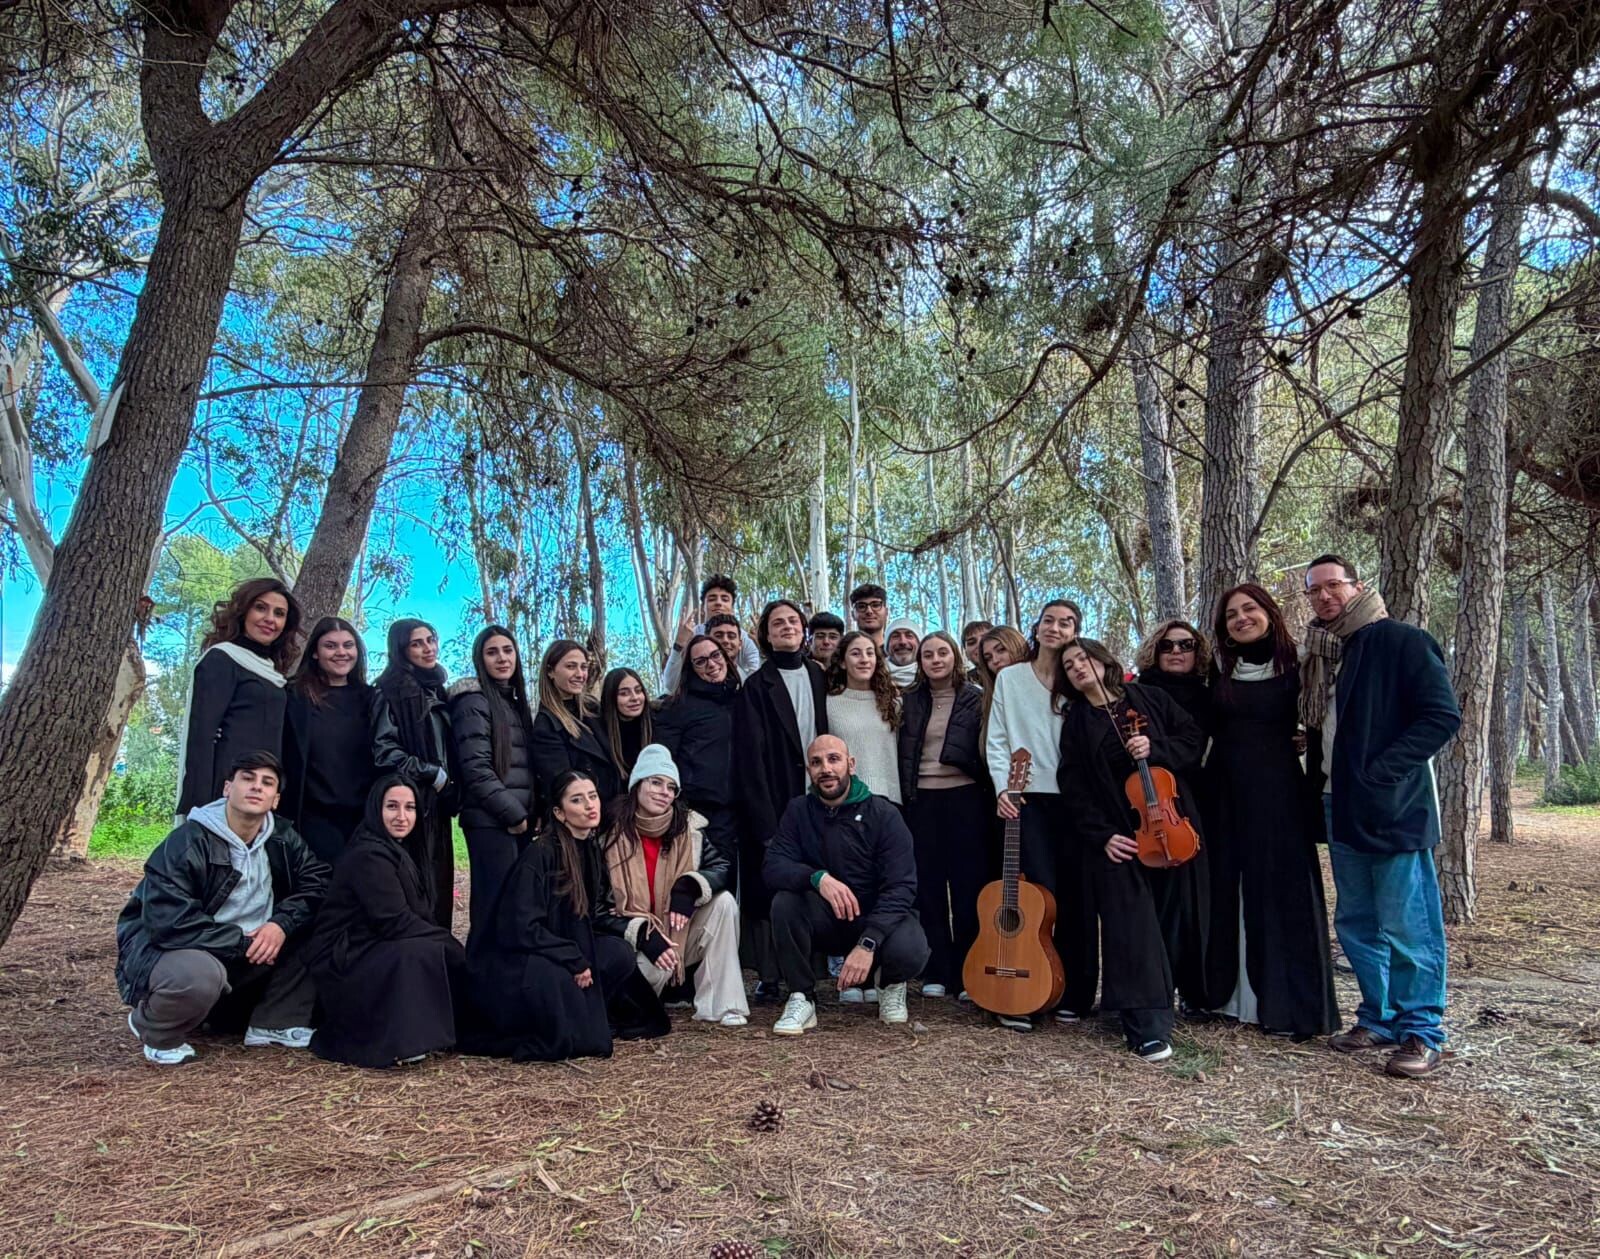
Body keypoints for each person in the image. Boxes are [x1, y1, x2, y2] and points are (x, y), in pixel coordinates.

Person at [1300, 554, 1461, 1078]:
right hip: (1339, 804)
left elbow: (1440, 716)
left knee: (1407, 923)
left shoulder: (1401, 641)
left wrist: (1378, 771)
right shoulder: (1329, 654)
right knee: (1357, 921)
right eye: (1314, 591)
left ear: (1357, 586)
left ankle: (1422, 1030)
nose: (1324, 597)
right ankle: (1379, 1017)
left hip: (1392, 808)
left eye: (1333, 586)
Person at [117, 751, 328, 1066]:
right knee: (200, 976)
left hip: (248, 949)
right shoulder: (186, 842)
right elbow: (170, 924)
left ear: (275, 799)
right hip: (178, 949)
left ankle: (273, 1022)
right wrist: (245, 943)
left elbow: (318, 884)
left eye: (266, 782)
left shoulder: (283, 837)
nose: (256, 787)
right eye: (247, 778)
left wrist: (280, 925)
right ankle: (155, 1029)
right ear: (228, 788)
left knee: (326, 928)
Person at [1056, 640, 1208, 1062]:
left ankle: (1174, 999)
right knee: (1131, 926)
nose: (1077, 668)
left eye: (1082, 659)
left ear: (1104, 662)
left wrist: (1155, 749)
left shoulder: (1150, 699)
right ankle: (1147, 1027)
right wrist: (1102, 835)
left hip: (1171, 824)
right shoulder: (1077, 721)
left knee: (1174, 918)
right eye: (1068, 666)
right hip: (1120, 836)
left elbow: (1193, 740)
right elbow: (1074, 786)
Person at [1204, 585, 1338, 1039]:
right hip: (1226, 797)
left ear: (1269, 613)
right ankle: (1227, 999)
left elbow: (1319, 727)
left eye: (1250, 609)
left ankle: (1288, 1008)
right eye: (1231, 615)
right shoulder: (1218, 673)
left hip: (1281, 795)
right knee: (1229, 891)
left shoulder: (1300, 665)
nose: (1241, 619)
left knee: (1283, 894)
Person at [461, 769, 669, 1061]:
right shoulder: (541, 854)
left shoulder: (589, 849)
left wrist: (638, 931)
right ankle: (566, 1020)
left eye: (593, 797)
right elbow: (520, 927)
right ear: (560, 813)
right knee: (558, 982)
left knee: (619, 954)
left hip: (564, 946)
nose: (589, 806)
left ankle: (586, 1012)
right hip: (524, 955)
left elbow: (591, 916)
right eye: (577, 800)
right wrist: (571, 957)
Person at [763, 735, 930, 1035]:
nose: (825, 769)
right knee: (785, 903)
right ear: (809, 771)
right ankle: (802, 996)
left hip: (877, 920)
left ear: (851, 765)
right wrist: (817, 878)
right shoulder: (798, 811)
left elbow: (902, 886)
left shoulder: (884, 814)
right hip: (827, 919)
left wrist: (869, 942)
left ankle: (890, 983)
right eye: (816, 762)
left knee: (911, 947)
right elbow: (773, 866)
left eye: (833, 759)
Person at [984, 599, 1098, 1023]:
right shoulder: (1011, 678)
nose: (1055, 627)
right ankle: (1026, 992)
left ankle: (1075, 994)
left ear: (1075, 631)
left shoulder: (1079, 678)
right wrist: (1003, 788)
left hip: (1076, 800)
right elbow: (997, 738)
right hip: (1026, 797)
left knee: (1078, 897)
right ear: (1036, 627)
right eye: (1048, 620)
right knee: (1035, 896)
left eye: (1066, 622)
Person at [305, 776, 468, 1068]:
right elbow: (393, 920)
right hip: (344, 957)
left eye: (410, 808)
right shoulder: (368, 854)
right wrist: (449, 943)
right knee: (416, 952)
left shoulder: (399, 851)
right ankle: (396, 1042)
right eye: (392, 806)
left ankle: (431, 1035)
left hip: (370, 943)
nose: (402, 817)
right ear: (375, 809)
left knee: (426, 949)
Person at [602, 746, 749, 1027]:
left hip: (678, 932)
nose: (664, 792)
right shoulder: (609, 835)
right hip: (634, 942)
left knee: (724, 903)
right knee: (646, 984)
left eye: (671, 787)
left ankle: (723, 1005)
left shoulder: (688, 830)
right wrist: (642, 934)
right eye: (655, 782)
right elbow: (597, 907)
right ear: (637, 785)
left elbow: (721, 868)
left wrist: (689, 887)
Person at [732, 599, 830, 1003]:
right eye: (777, 623)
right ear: (766, 635)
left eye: (793, 621)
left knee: (819, 882)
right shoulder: (756, 687)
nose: (786, 627)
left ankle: (817, 972)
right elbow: (749, 762)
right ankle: (772, 977)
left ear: (803, 630)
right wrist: (765, 825)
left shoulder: (820, 676)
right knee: (775, 889)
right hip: (777, 800)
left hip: (823, 797)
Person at [897, 631, 988, 998]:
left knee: (968, 886)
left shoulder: (976, 699)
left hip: (966, 799)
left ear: (955, 657)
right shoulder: (909, 701)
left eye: (942, 653)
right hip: (922, 802)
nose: (935, 660)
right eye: (928, 655)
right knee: (929, 886)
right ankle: (937, 968)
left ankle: (967, 968)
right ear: (920, 663)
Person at [176, 578, 302, 817]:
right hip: (225, 791)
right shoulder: (222, 659)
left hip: (262, 792)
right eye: (260, 608)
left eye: (279, 613)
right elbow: (202, 736)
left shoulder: (273, 672)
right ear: (243, 611)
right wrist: (201, 807)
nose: (270, 619)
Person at [449, 626, 537, 941]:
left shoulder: (513, 703)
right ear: (480, 659)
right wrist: (514, 815)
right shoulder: (473, 702)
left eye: (507, 650)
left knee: (516, 910)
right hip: (491, 823)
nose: (502, 658)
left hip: (518, 823)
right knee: (492, 910)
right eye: (492, 652)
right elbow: (475, 768)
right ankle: (478, 984)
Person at [373, 618, 457, 927]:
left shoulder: (437, 690)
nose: (428, 648)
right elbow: (384, 751)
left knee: (438, 888)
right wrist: (431, 773)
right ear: (401, 650)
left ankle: (439, 960)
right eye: (417, 643)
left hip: (438, 804)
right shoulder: (390, 691)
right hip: (409, 805)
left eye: (431, 640)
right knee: (415, 889)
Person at [282, 616, 378, 865]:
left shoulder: (372, 699)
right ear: (315, 652)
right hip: (312, 819)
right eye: (331, 646)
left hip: (363, 819)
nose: (341, 652)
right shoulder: (294, 696)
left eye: (348, 645)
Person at [653, 633, 740, 875]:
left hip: (742, 810)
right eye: (700, 661)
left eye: (715, 656)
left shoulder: (741, 698)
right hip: (699, 813)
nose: (711, 665)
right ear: (690, 668)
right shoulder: (678, 707)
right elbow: (663, 761)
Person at [530, 639, 620, 804]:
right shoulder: (547, 725)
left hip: (617, 810)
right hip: (587, 818)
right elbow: (562, 788)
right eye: (571, 666)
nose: (580, 674)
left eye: (583, 667)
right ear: (550, 671)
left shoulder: (593, 710)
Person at [824, 630, 902, 805]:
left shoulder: (894, 703)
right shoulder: (829, 704)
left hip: (890, 801)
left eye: (869, 653)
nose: (864, 659)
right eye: (855, 653)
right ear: (843, 662)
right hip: (846, 800)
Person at [659, 575, 762, 692]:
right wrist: (679, 645)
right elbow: (671, 684)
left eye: (725, 599)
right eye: (712, 599)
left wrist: (764, 649)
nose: (718, 603)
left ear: (732, 607)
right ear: (703, 606)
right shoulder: (691, 635)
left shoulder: (744, 638)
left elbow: (756, 678)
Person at [1133, 619, 1213, 733]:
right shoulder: (1135, 693)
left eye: (1186, 645)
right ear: (1156, 652)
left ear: (1197, 652)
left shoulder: (1210, 700)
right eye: (1166, 645)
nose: (1175, 651)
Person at [973, 625, 1029, 746]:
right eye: (988, 658)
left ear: (1017, 646)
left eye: (1001, 650)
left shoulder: (1044, 686)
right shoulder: (988, 700)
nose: (995, 660)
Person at [599, 666, 653, 779]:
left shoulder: (656, 725)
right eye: (624, 694)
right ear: (611, 698)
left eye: (638, 691)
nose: (634, 698)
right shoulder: (598, 732)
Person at [848, 583, 890, 649]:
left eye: (875, 605)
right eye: (861, 606)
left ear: (886, 612)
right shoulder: (843, 653)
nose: (869, 611)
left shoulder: (895, 652)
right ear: (853, 614)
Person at [884, 617, 922, 689]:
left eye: (909, 636)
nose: (902, 642)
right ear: (887, 645)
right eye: (895, 636)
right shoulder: (872, 678)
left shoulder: (932, 679)